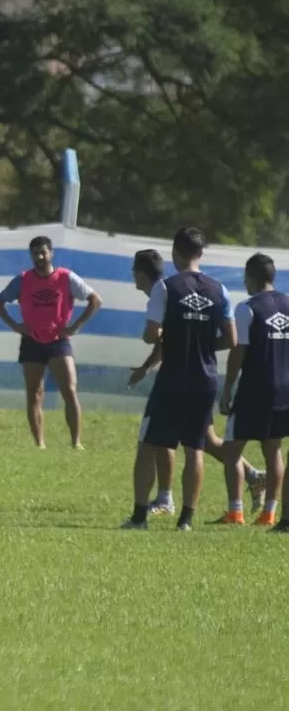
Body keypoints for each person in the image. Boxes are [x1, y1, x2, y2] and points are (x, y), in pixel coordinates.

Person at [128, 249, 265, 517]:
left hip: (181, 378)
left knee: (165, 439)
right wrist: (147, 367)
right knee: (204, 439)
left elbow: (160, 337)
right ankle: (252, 475)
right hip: (202, 378)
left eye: (134, 272)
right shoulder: (177, 289)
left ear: (141, 274)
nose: (133, 277)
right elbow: (167, 342)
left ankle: (166, 498)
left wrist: (151, 364)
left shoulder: (164, 291)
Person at [122, 227, 236, 531]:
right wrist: (200, 343)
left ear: (176, 253)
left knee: (148, 445)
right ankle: (186, 519)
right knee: (195, 448)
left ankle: (139, 517)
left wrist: (166, 335)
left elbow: (151, 334)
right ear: (199, 253)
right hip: (205, 378)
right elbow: (232, 338)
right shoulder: (219, 290)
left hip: (173, 377)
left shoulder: (166, 287)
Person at [0, 235, 102, 449]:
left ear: (51, 253)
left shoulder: (66, 278)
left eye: (43, 252)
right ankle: (39, 444)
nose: (40, 257)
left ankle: (76, 442)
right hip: (32, 341)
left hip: (59, 341)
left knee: (69, 390)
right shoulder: (23, 280)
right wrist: (16, 326)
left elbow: (95, 300)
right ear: (31, 255)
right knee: (34, 393)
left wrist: (75, 326)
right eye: (35, 253)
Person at [218, 253, 289, 528]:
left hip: (254, 390)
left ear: (251, 277)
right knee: (274, 451)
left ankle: (235, 512)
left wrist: (227, 390)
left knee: (231, 451)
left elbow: (238, 352)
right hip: (284, 391)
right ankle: (269, 513)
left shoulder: (247, 308)